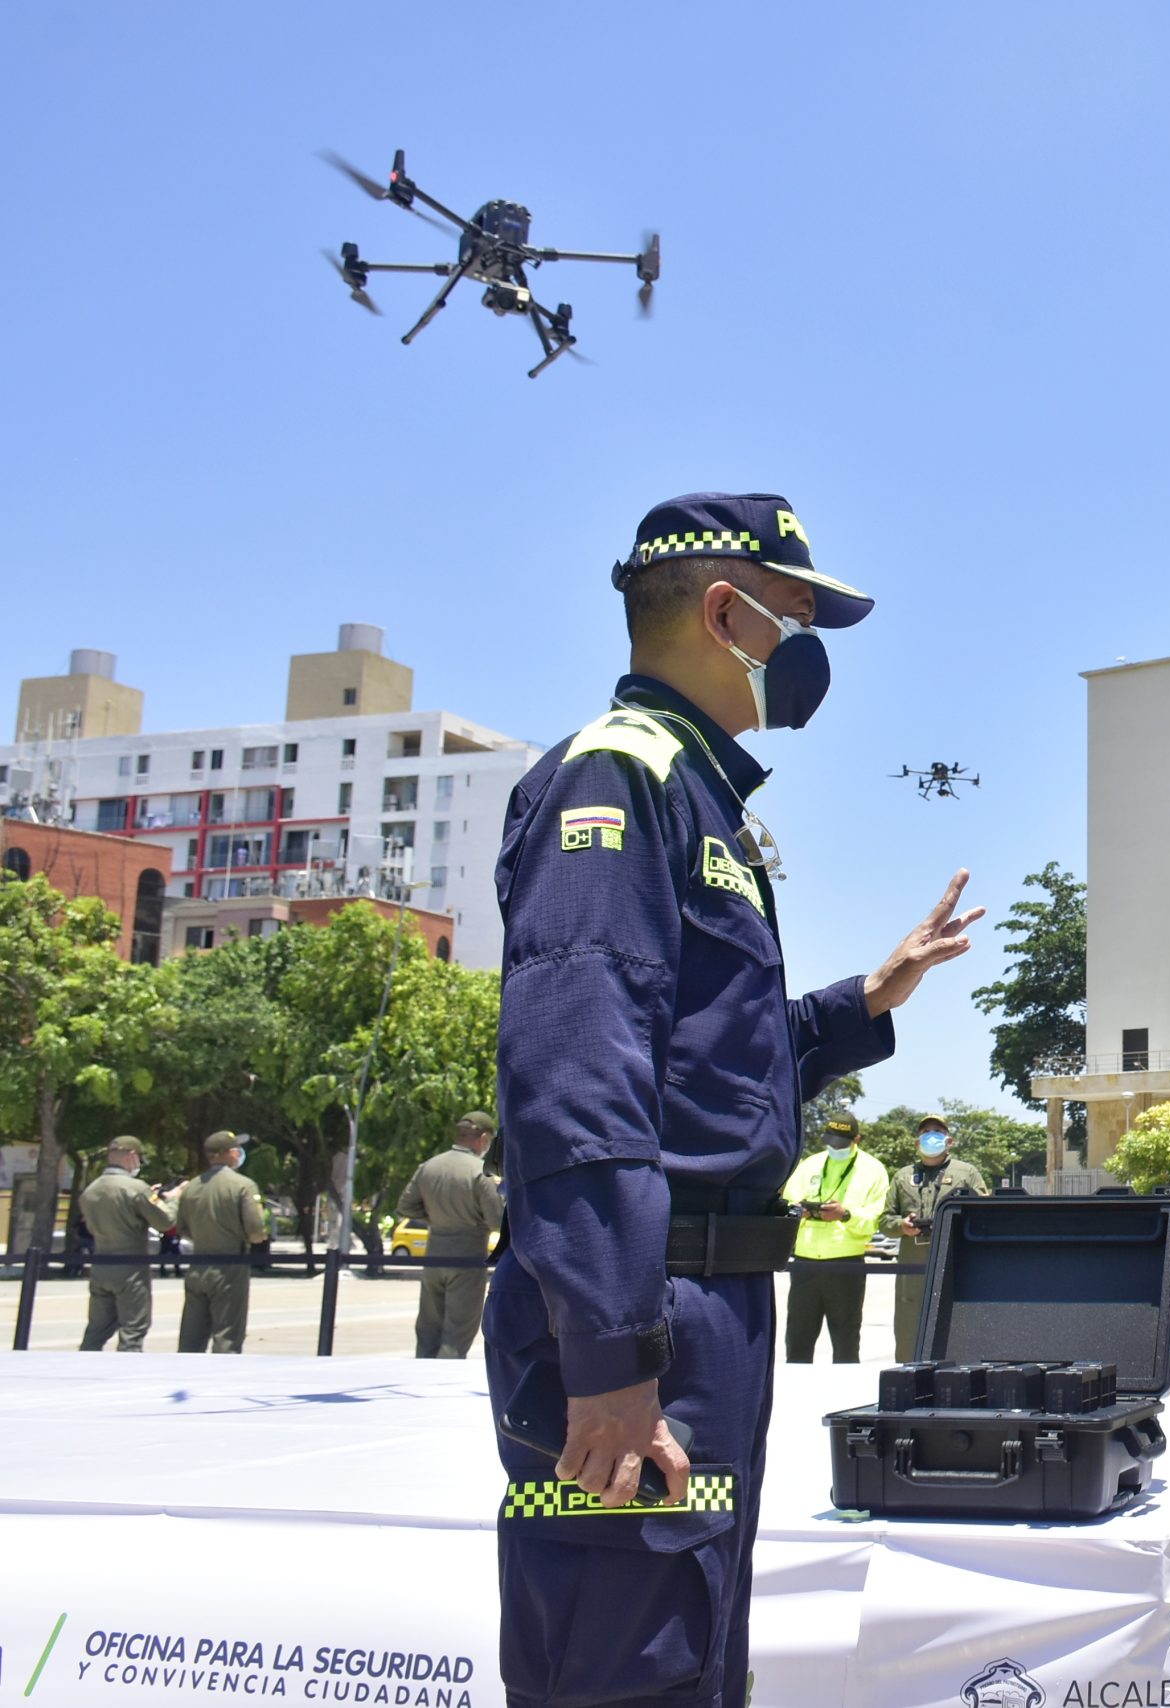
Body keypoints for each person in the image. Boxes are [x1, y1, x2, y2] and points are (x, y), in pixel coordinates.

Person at [487, 491, 982, 1708]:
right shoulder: (618, 779)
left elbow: (712, 1067)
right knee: (627, 1657)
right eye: (798, 617)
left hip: (704, 1303)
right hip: (641, 1308)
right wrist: (609, 1354)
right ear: (726, 610)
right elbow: (580, 1079)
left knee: (692, 1641)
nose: (805, 649)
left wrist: (866, 1001)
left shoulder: (707, 799)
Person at [397, 1112, 505, 1359]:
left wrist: (435, 1219)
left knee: (427, 1328)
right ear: (484, 1138)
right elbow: (497, 1221)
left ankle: (421, 1379)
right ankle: (439, 1389)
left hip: (433, 1256)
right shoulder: (481, 1172)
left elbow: (405, 1206)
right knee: (457, 1333)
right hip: (466, 1259)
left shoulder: (429, 1166)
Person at [784, 1115, 890, 1363]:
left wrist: (845, 1215)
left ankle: (847, 1393)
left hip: (846, 1264)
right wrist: (801, 1211)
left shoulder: (873, 1170)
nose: (835, 1148)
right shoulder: (810, 1164)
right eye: (831, 1142)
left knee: (846, 1339)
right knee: (797, 1336)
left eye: (842, 1144)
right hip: (805, 1262)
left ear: (857, 1140)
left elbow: (874, 1219)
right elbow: (787, 1203)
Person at [887, 1115, 990, 1360]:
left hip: (954, 1259)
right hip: (913, 1263)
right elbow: (884, 1221)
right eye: (926, 1132)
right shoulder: (902, 1176)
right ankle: (908, 1377)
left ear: (949, 1141)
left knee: (955, 1320)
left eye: (937, 1132)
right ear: (916, 1142)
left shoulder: (967, 1173)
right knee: (909, 1326)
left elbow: (985, 1214)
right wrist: (901, 1225)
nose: (931, 1136)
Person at [171, 1131, 268, 1354]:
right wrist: (255, 1238)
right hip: (230, 1265)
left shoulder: (192, 1186)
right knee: (227, 1335)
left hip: (198, 1264)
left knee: (191, 1336)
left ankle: (184, 1379)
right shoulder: (242, 1185)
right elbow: (255, 1229)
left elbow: (182, 1228)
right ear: (231, 1153)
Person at [78, 1138, 172, 1352]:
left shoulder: (90, 1190)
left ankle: (82, 1369)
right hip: (131, 1269)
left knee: (96, 1330)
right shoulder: (136, 1188)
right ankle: (126, 1375)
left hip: (100, 1264)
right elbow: (165, 1222)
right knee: (133, 1330)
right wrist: (172, 1200)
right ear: (131, 1155)